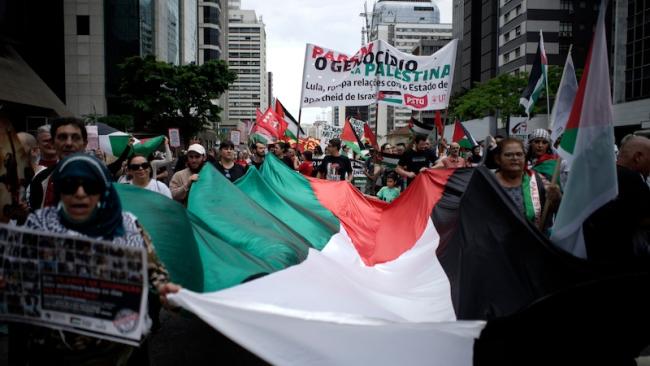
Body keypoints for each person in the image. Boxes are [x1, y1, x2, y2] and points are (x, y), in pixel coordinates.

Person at [18, 153, 179, 365]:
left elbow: (153, 270)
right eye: (70, 185)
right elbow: (20, 277)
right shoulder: (40, 227)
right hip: (59, 350)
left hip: (121, 348)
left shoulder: (128, 225)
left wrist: (164, 289)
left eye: (90, 186)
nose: (80, 194)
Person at [583, 135, 650, 262]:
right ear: (638, 157)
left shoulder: (595, 177)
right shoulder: (632, 179)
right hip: (621, 262)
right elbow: (646, 219)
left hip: (592, 259)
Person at [493, 138, 561, 228]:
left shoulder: (538, 180)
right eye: (508, 155)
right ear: (498, 159)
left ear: (525, 157)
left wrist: (556, 199)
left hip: (531, 238)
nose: (515, 158)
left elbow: (551, 209)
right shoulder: (488, 182)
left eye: (519, 154)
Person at [28, 117, 88, 210]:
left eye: (75, 138)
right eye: (62, 137)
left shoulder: (101, 178)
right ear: (53, 143)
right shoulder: (40, 179)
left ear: (84, 144)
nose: (69, 143)